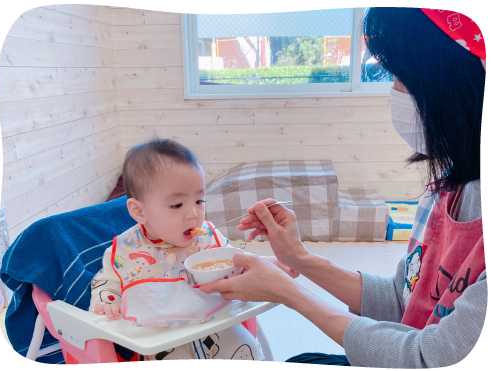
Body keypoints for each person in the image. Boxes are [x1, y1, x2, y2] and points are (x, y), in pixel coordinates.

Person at [200, 7, 485, 368]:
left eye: (399, 76)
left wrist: (287, 290)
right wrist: (298, 259)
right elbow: (403, 299)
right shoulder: (444, 189)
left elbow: (427, 357)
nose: (393, 91)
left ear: (452, 83)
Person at [89, 138, 296, 361]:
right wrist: (108, 302)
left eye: (199, 200)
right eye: (177, 205)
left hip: (216, 325)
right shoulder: (125, 249)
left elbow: (236, 261)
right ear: (139, 211)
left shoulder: (206, 236)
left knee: (248, 348)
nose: (193, 214)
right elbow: (107, 282)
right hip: (160, 337)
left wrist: (274, 264)